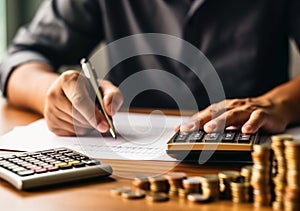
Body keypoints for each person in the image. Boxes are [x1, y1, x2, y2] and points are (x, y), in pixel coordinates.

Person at [1, 0, 300, 136]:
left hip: (254, 155)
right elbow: (20, 59)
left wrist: (279, 103)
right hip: (126, 168)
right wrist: (53, 95)